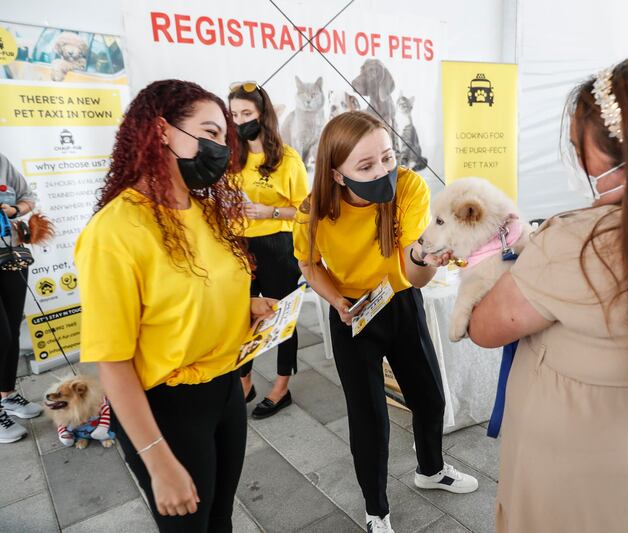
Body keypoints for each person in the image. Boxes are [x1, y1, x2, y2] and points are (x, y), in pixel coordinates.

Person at [468, 58, 628, 532]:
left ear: (621, 153)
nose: (579, 163)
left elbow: (485, 327)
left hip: (570, 460)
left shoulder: (577, 241)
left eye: (578, 149)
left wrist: (487, 263)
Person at [75, 79, 274, 532]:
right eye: (208, 132)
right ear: (162, 131)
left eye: (224, 137)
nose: (221, 147)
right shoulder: (115, 231)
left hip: (227, 388)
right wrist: (158, 462)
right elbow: (113, 361)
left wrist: (247, 307)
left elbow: (192, 294)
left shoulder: (205, 210)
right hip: (168, 409)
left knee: (219, 518)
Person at [294, 111, 478, 533]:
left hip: (399, 302)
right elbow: (309, 264)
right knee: (370, 419)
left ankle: (430, 470)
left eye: (387, 157)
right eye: (365, 166)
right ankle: (376, 510)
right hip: (353, 314)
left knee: (430, 397)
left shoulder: (408, 187)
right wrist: (338, 301)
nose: (383, 171)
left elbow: (414, 267)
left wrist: (422, 257)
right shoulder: (314, 211)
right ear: (337, 174)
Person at [228, 82, 308, 418]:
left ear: (263, 115)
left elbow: (306, 211)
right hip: (238, 247)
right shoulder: (231, 155)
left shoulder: (286, 159)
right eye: (234, 114)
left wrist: (270, 211)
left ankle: (281, 387)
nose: (240, 120)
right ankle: (244, 381)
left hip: (277, 246)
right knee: (239, 315)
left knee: (280, 317)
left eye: (246, 113)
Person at [0, 152, 41, 443]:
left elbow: (28, 197)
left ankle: (8, 395)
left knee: (12, 330)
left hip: (10, 257)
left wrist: (13, 210)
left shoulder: (1, 162)